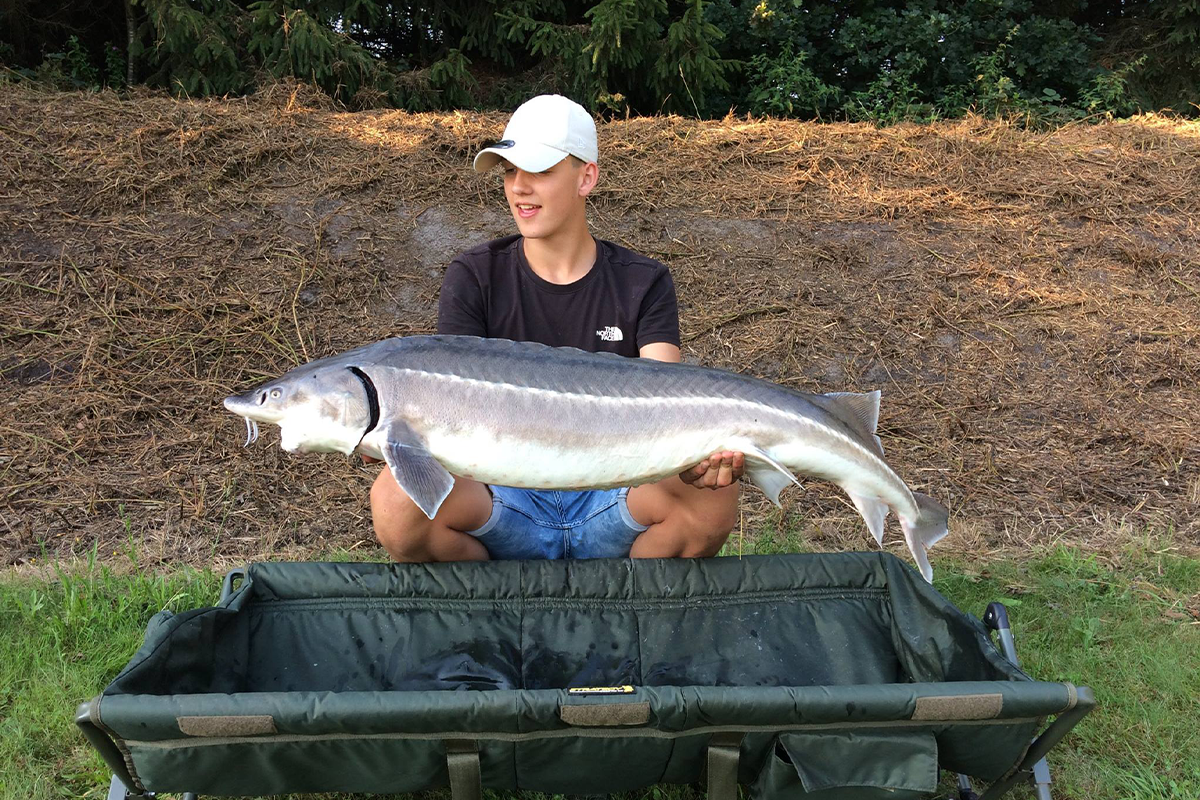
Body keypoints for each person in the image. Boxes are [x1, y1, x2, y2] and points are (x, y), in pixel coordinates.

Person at [370, 94, 743, 562]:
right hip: (504, 500)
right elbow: (443, 404)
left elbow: (667, 403)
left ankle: (630, 611)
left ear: (587, 175)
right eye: (509, 171)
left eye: (540, 171)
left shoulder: (643, 280)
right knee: (394, 502)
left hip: (614, 496)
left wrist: (699, 460)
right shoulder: (474, 275)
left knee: (714, 497)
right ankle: (496, 611)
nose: (519, 188)